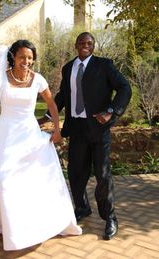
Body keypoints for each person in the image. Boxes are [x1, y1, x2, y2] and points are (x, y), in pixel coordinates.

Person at [0, 40, 82, 250]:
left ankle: (32, 224)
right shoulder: (1, 77)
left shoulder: (38, 80)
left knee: (30, 180)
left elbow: (52, 104)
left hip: (29, 134)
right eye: (22, 57)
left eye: (30, 58)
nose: (26, 61)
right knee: (6, 179)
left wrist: (58, 130)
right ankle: (9, 227)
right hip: (5, 134)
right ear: (13, 57)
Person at [39, 32, 132, 240]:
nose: (85, 46)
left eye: (89, 43)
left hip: (99, 129)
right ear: (75, 45)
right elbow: (64, 95)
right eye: (82, 42)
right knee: (76, 172)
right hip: (76, 128)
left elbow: (125, 88)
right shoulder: (68, 68)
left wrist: (111, 111)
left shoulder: (104, 65)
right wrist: (46, 116)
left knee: (102, 175)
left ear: (94, 46)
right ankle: (81, 208)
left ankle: (110, 217)